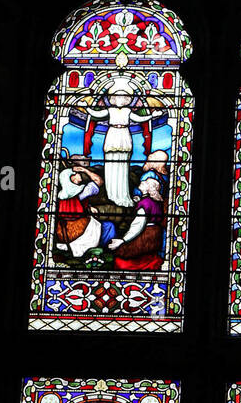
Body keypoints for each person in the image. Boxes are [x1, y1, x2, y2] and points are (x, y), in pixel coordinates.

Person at [84, 76, 153, 208]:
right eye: (117, 97)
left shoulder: (128, 111)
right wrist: (87, 108)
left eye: (124, 97)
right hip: (113, 134)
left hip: (124, 135)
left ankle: (122, 195)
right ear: (113, 99)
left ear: (128, 99)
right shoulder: (110, 110)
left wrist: (152, 116)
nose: (120, 100)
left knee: (123, 165)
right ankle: (111, 195)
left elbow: (139, 118)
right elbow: (96, 114)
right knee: (110, 164)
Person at [55, 164, 117, 259]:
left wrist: (88, 207)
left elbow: (74, 208)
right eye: (75, 173)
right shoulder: (83, 192)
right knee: (109, 226)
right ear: (72, 179)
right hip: (81, 231)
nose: (78, 174)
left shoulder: (61, 196)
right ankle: (104, 252)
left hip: (64, 232)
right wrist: (85, 170)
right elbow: (99, 181)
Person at [108, 173, 166, 271]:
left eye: (146, 182)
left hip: (145, 233)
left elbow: (138, 225)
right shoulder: (155, 202)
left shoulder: (145, 203)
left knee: (122, 257)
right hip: (155, 234)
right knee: (148, 256)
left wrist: (123, 240)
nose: (142, 182)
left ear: (148, 189)